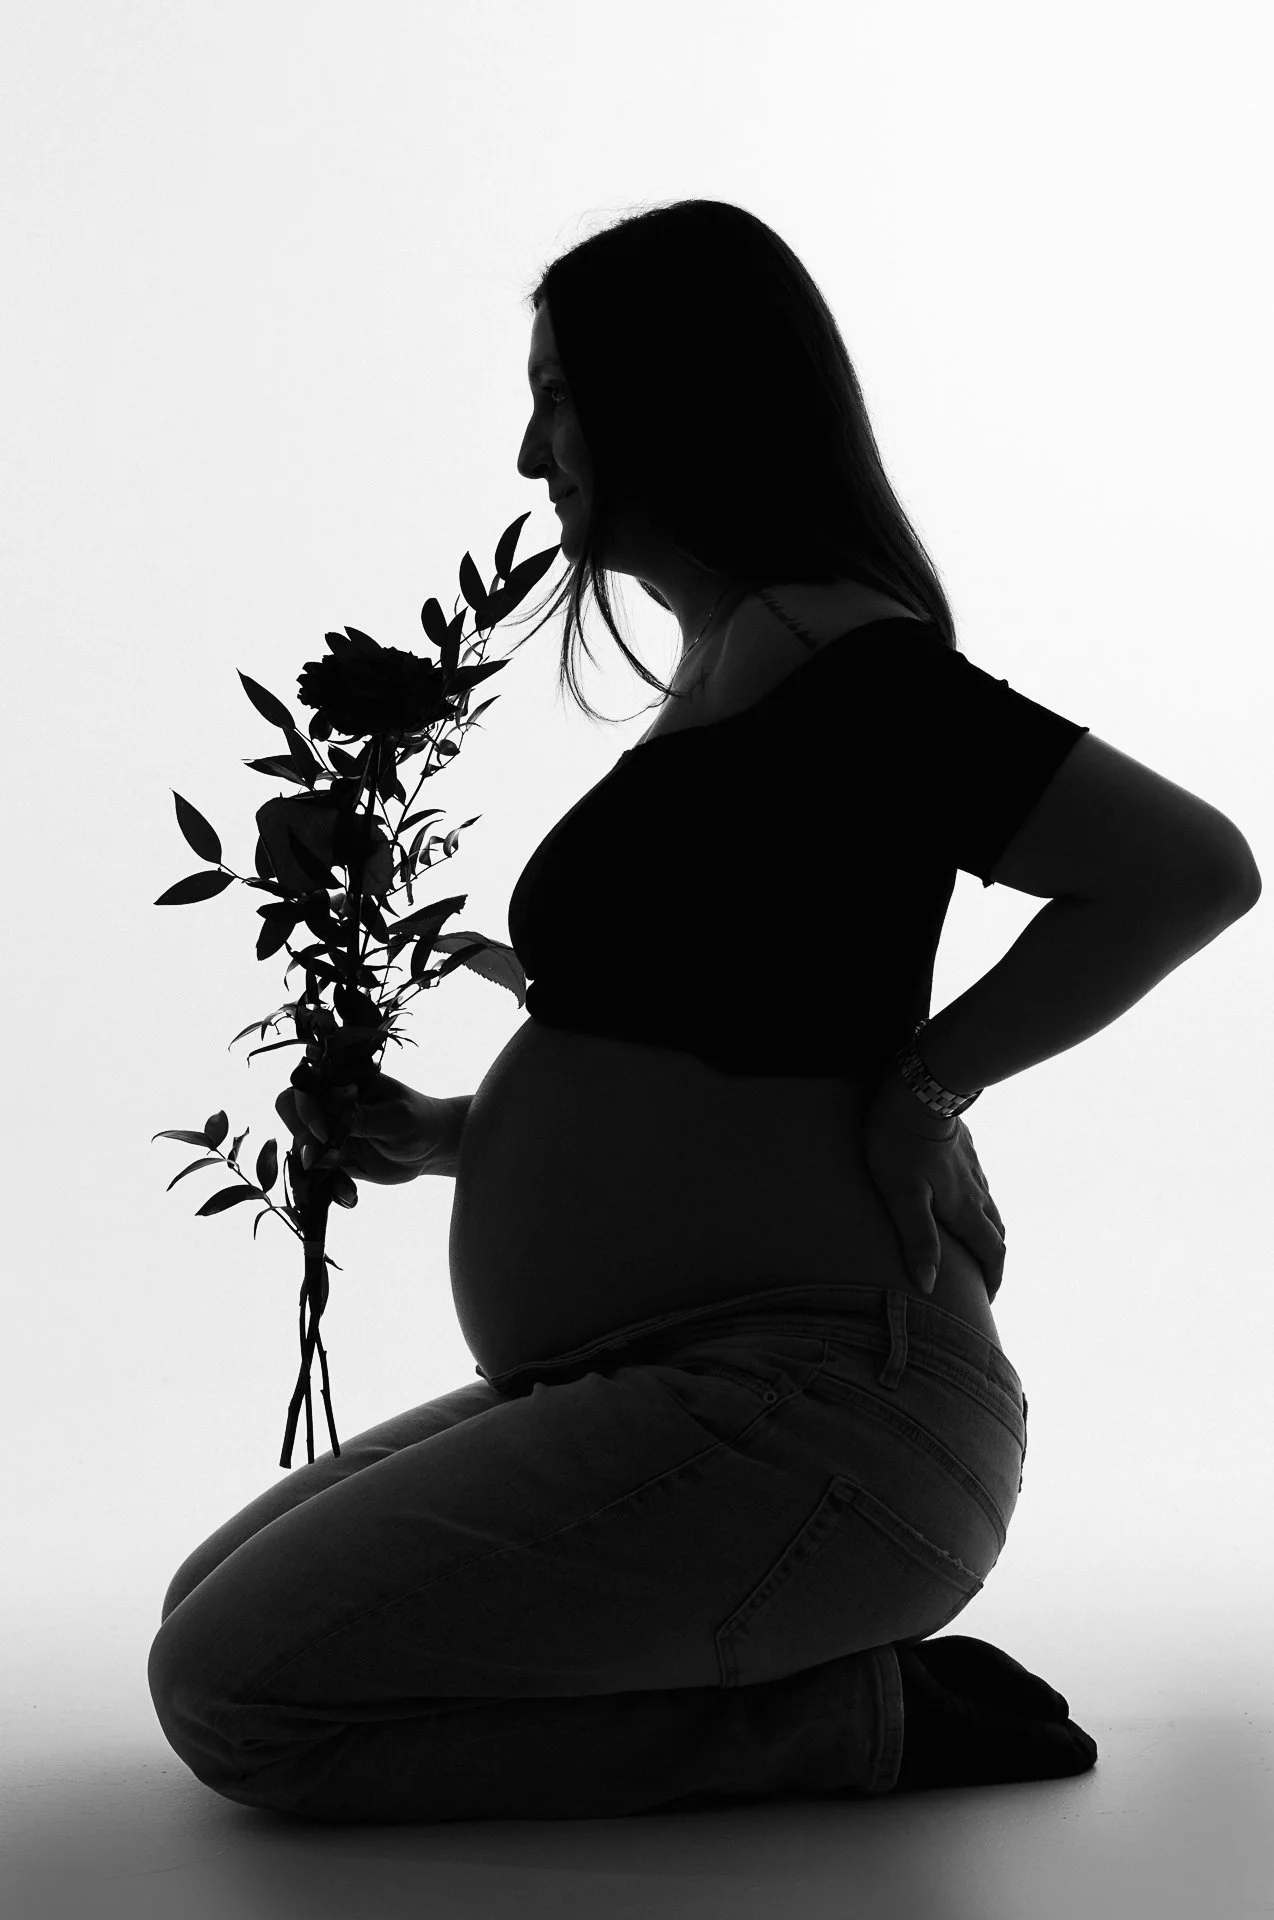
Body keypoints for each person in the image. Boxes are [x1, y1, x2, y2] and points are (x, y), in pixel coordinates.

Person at [148, 201, 1261, 1822]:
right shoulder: (741, 667)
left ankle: (862, 1724)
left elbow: (1188, 870)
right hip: (682, 1386)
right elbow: (727, 1033)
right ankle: (784, 1664)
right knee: (207, 1609)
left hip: (813, 1412)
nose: (528, 456)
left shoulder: (846, 665)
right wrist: (454, 1139)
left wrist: (931, 1088)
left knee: (238, 1696)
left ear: (675, 398)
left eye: (558, 398)